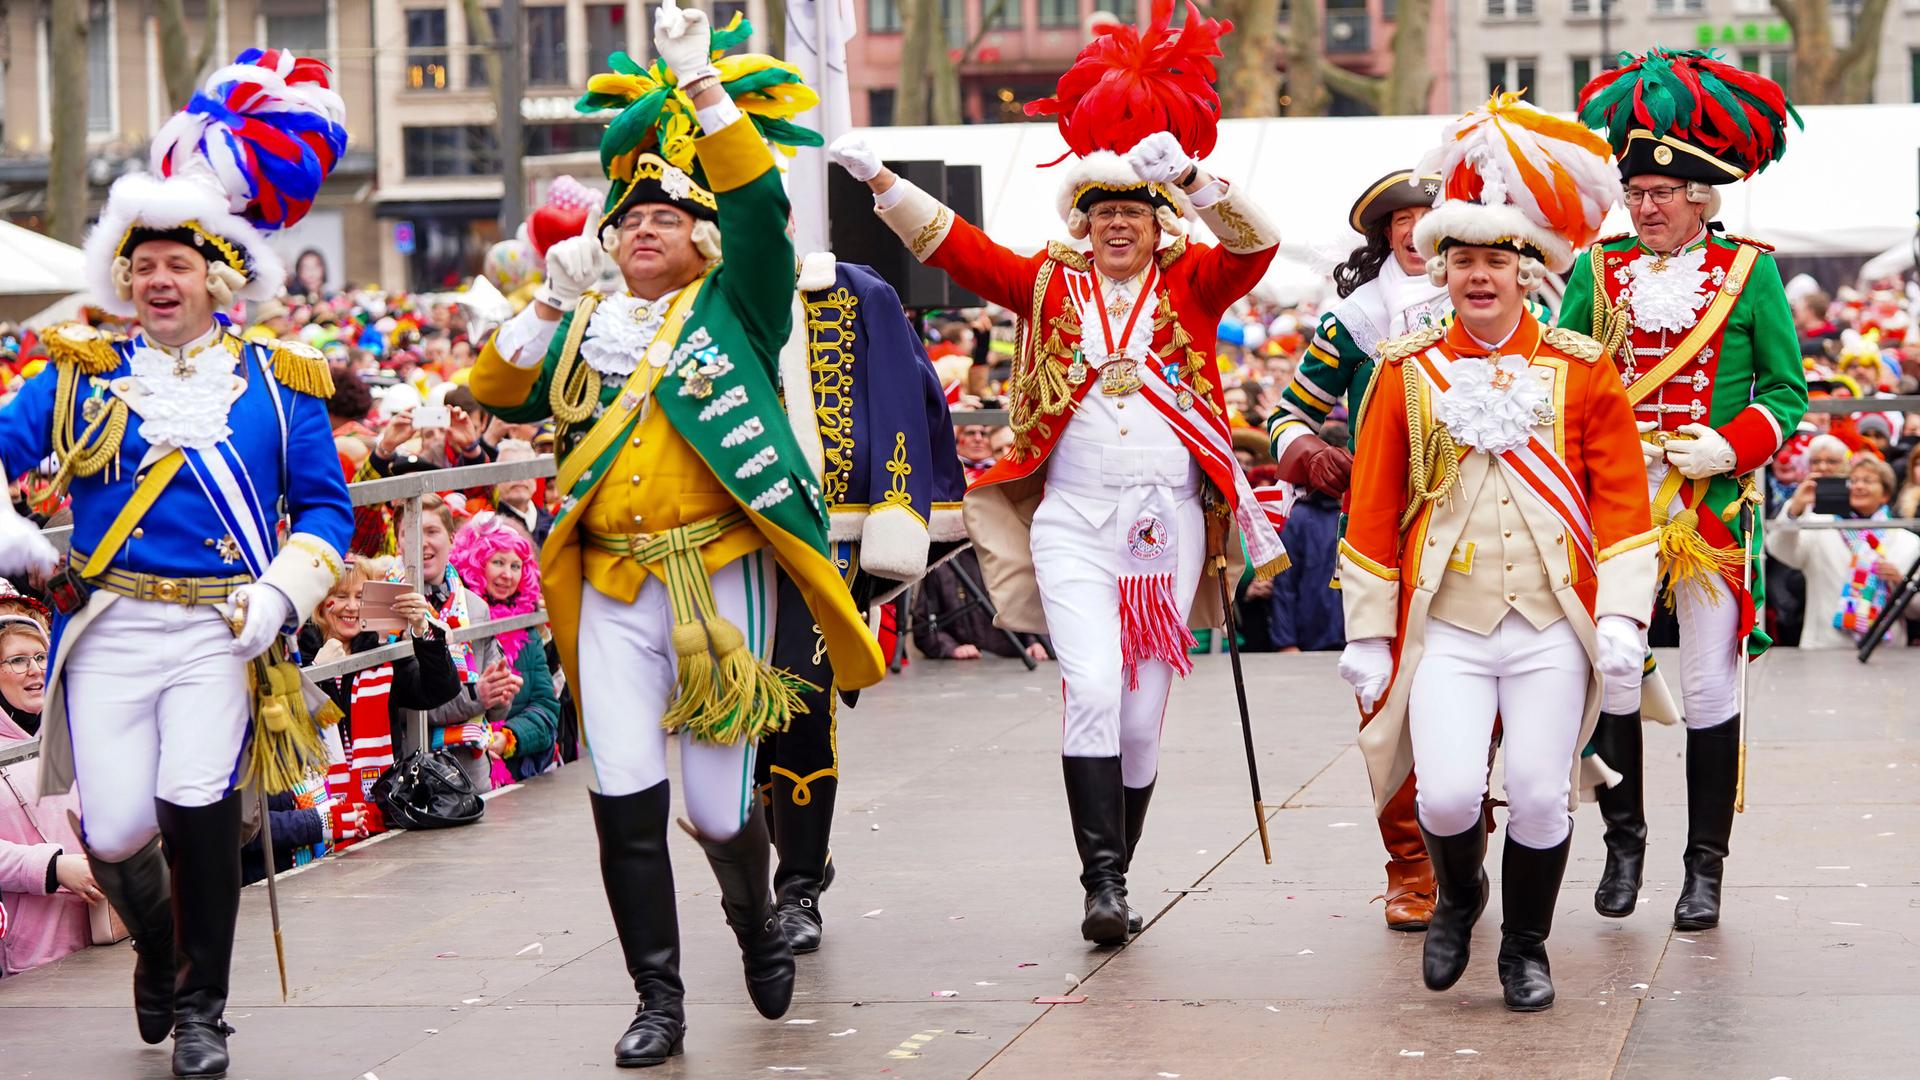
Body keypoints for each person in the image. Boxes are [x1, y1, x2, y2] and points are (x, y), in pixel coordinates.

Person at [467, 3, 885, 1065]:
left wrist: (704, 89)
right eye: (625, 219)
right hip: (608, 587)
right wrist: (537, 303)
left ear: (697, 240)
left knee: (714, 808)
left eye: (663, 217)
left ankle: (754, 922)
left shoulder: (735, 307)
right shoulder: (583, 324)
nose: (640, 228)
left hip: (719, 583)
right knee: (622, 798)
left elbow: (757, 204)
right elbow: (493, 392)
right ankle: (658, 999)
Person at [830, 0, 1289, 947]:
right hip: (1072, 514)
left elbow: (1257, 247)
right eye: (1103, 211)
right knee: (1089, 684)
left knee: (1145, 719)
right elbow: (957, 246)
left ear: (1158, 225)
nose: (1118, 225)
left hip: (1168, 520)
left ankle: (1118, 862)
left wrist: (1196, 181)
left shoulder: (1194, 281)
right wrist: (879, 180)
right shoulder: (1044, 283)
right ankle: (1103, 884)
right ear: (1081, 221)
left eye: (1133, 212)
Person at [0, 50, 353, 1077]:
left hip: (218, 628)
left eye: (180, 264)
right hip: (108, 624)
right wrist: (18, 544)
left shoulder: (280, 384)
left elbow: (326, 510)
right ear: (123, 275)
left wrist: (282, 592)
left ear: (220, 277)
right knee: (112, 832)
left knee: (201, 808)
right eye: (144, 264)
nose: (159, 280)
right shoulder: (73, 377)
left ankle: (204, 1007)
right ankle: (159, 952)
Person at [1337, 93, 1655, 1011]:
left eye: (1496, 262)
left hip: (1551, 621)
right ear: (1443, 272)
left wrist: (1626, 614)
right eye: (1463, 260)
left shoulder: (1580, 365)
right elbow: (1373, 504)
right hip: (1448, 624)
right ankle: (1459, 896)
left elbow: (1623, 503)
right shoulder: (1406, 368)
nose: (1480, 278)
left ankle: (1526, 947)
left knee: (1542, 795)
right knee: (1442, 799)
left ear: (1528, 272)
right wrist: (1366, 633)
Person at [1561, 48, 1809, 931]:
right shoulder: (1599, 272)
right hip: (1620, 501)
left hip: (1710, 506)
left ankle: (1704, 867)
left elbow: (1786, 393)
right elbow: (1566, 373)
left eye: (1661, 195)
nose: (1645, 207)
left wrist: (1729, 445)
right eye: (1634, 193)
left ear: (1701, 197)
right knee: (1615, 671)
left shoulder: (1751, 273)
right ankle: (1622, 843)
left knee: (1710, 688)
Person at [756, 248, 968, 954]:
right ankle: (797, 848)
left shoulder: (853, 291)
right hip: (725, 541)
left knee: (800, 701)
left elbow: (906, 399)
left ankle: (798, 890)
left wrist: (895, 516)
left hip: (828, 540)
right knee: (743, 716)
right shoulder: (699, 306)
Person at [1266, 167, 1448, 931]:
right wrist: (1309, 453)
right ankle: (1410, 866)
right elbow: (1286, 415)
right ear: (1383, 237)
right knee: (1384, 707)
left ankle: (1464, 838)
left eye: (1425, 218)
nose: (1411, 231)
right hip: (1382, 538)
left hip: (1483, 532)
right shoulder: (1353, 323)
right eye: (1397, 221)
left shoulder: (1502, 302)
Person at [298, 556, 460, 849]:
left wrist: (422, 630)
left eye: (360, 597)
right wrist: (314, 673)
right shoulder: (296, 657)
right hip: (316, 825)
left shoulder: (384, 658)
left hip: (382, 821)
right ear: (320, 603)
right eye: (340, 596)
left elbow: (440, 690)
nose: (351, 606)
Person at [0, 607, 96, 977]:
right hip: (33, 953)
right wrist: (54, 867)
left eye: (41, 656)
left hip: (108, 926)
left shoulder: (73, 727)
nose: (36, 669)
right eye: (18, 660)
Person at [448, 515, 561, 784]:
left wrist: (507, 737)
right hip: (461, 763)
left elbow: (546, 708)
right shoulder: (454, 617)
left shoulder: (527, 629)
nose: (507, 575)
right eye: (497, 562)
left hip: (521, 776)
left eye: (515, 565)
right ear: (475, 564)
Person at [1766, 456, 1920, 649]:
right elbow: (1779, 549)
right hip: (1825, 648)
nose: (1859, 486)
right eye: (1853, 481)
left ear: (1885, 494)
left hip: (1885, 652)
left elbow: (1916, 610)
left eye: (1868, 481)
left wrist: (1900, 581)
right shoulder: (1820, 527)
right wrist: (1795, 508)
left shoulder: (1908, 541)